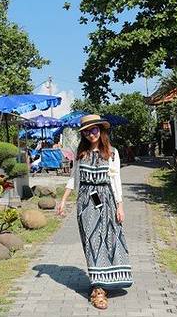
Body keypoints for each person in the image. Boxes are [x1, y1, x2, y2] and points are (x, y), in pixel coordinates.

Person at [56, 114, 132, 310]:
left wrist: (120, 205)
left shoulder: (112, 153)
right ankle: (98, 289)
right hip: (86, 203)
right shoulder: (81, 152)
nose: (91, 134)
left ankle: (105, 281)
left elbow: (115, 180)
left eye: (94, 129)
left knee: (110, 240)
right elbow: (74, 178)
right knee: (92, 243)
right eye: (87, 132)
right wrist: (63, 201)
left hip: (107, 200)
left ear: (101, 130)